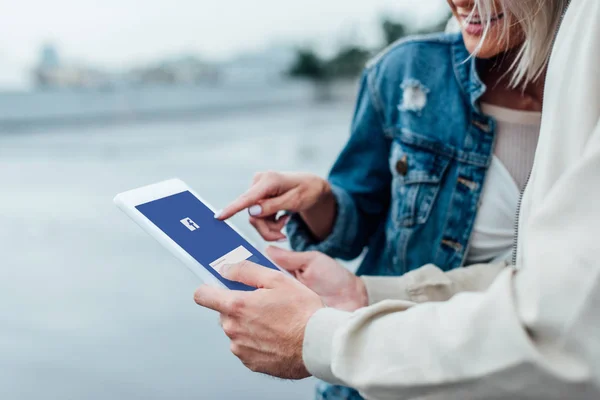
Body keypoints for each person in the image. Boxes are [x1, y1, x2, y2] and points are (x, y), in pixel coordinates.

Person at [195, 0, 600, 397]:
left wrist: (324, 336)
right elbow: (357, 221)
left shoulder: (584, 82)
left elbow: (558, 310)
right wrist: (321, 201)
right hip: (385, 361)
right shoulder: (407, 71)